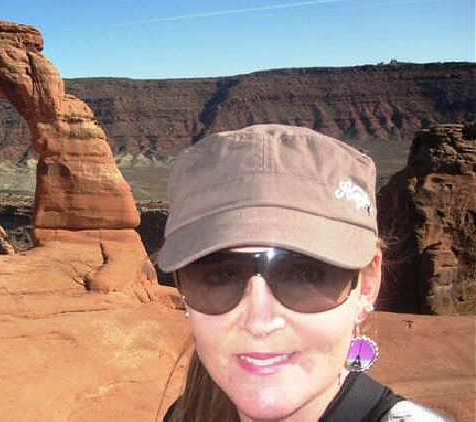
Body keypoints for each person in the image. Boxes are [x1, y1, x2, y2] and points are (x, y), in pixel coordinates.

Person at [157, 125, 453, 422]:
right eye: (221, 276)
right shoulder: (182, 415)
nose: (259, 323)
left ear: (367, 287)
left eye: (304, 274)